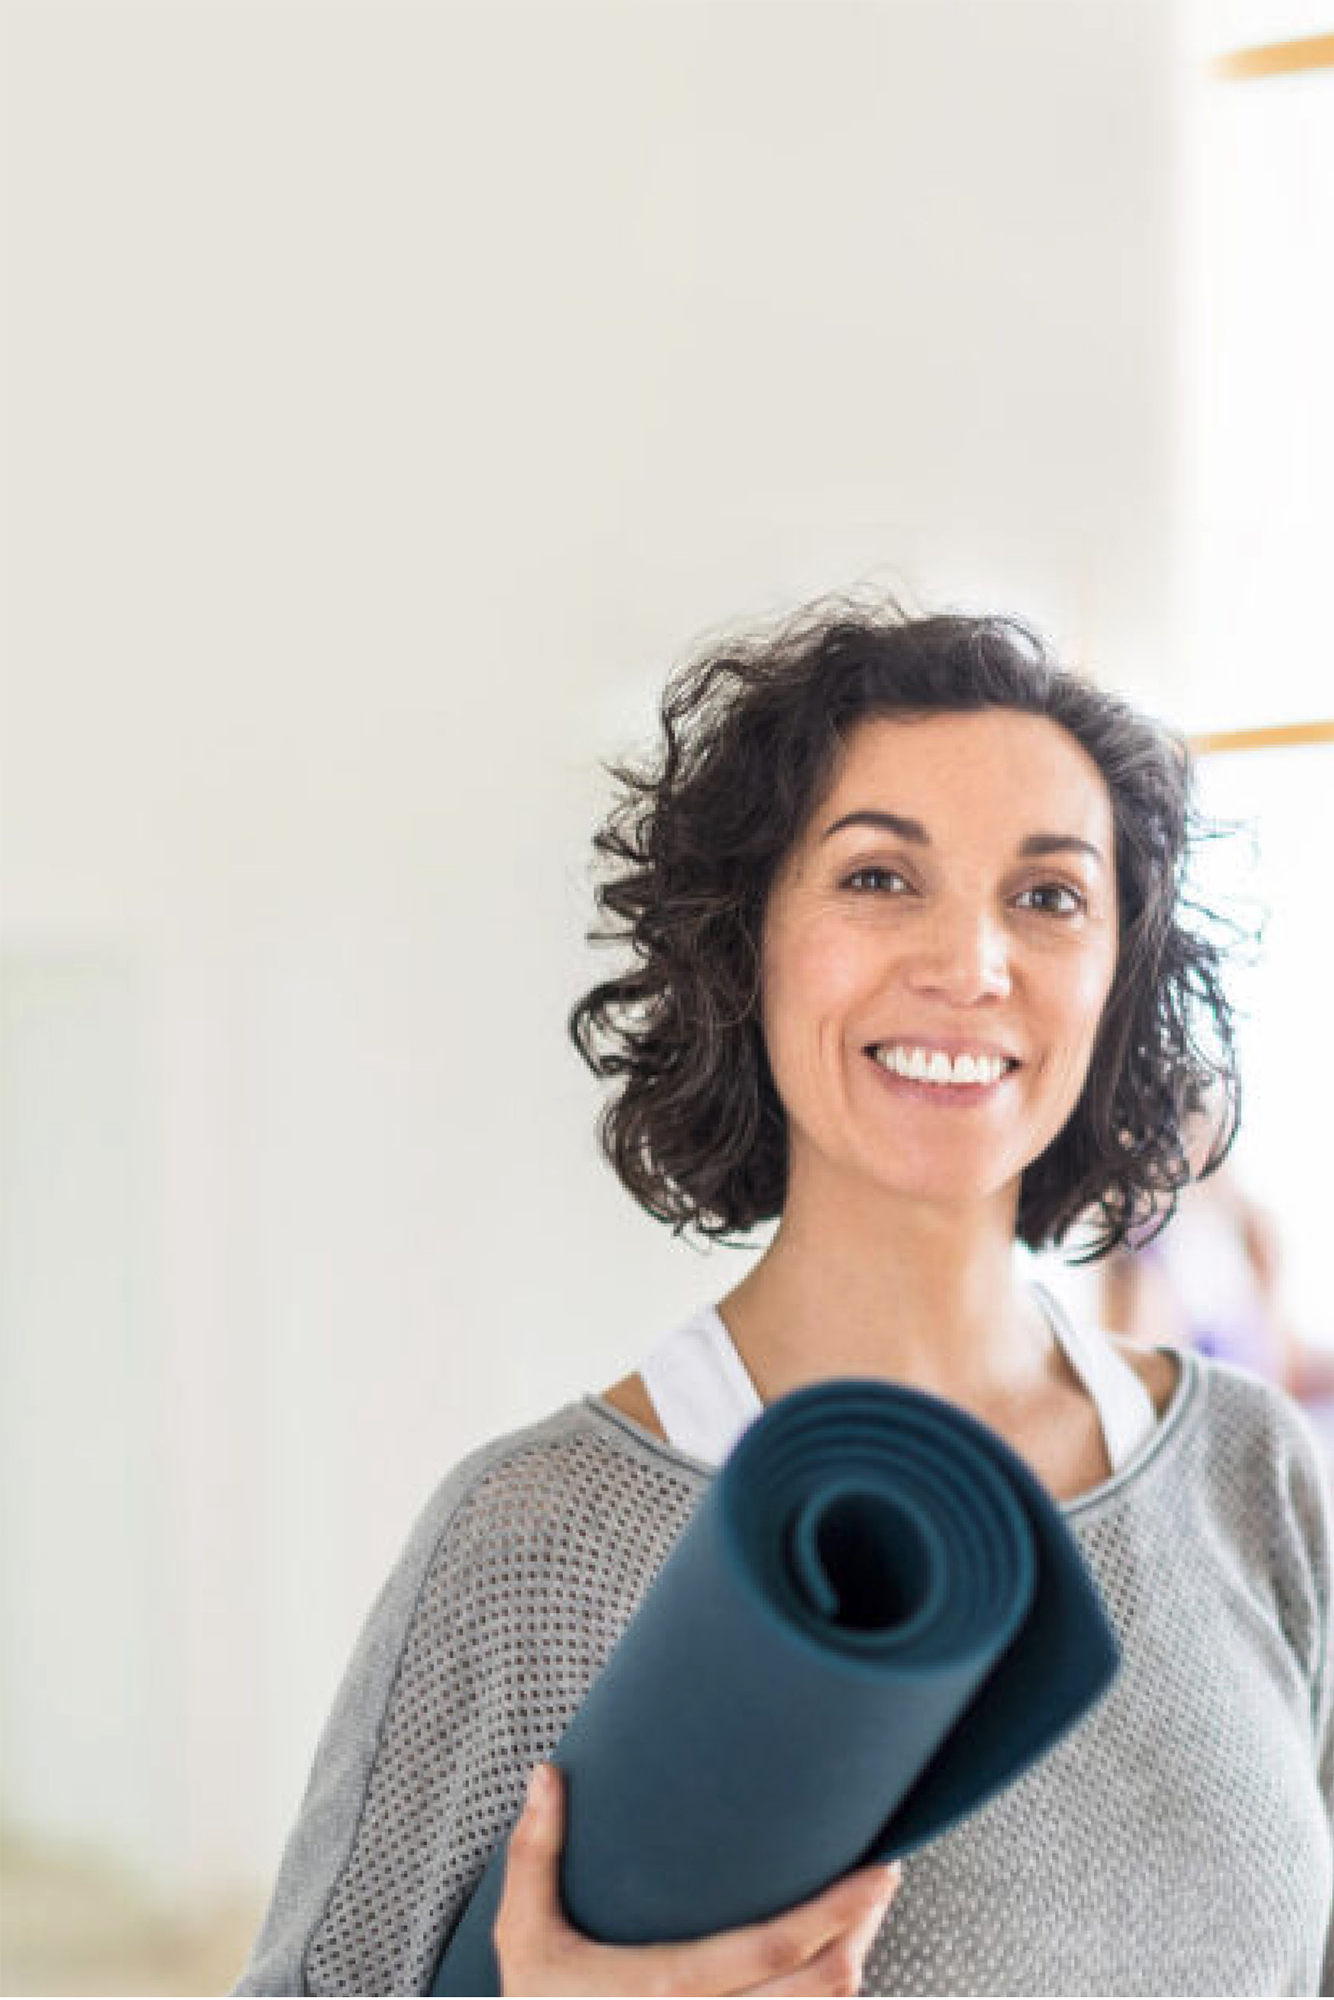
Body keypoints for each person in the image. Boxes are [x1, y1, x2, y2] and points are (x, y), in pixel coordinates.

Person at [231, 596, 1333, 1996]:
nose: (969, 965)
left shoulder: (1244, 1475)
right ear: (743, 944)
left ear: (1116, 981)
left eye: (1047, 896)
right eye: (879, 878)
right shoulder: (539, 1542)